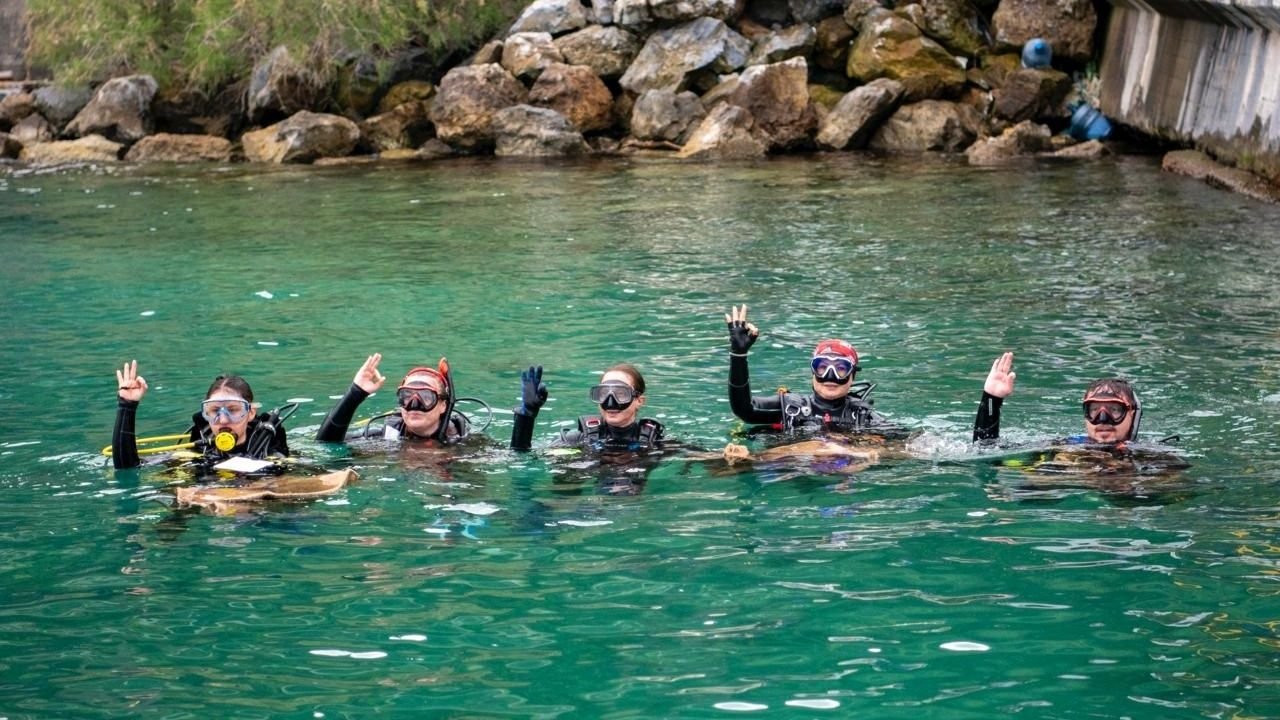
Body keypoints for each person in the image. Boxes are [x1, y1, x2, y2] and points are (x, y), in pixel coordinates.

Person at [724, 305, 895, 434]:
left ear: (853, 376)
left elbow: (908, 444)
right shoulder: (790, 408)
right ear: (813, 372)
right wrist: (738, 355)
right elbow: (744, 410)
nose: (830, 376)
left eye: (841, 368)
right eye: (822, 367)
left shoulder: (864, 417)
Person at [111, 360, 290, 470]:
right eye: (214, 411)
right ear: (205, 414)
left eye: (233, 410)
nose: (223, 419)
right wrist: (127, 405)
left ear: (250, 413)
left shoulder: (271, 453)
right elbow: (128, 467)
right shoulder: (198, 453)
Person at [972, 352, 1144, 445]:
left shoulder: (1153, 457)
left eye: (1114, 410)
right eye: (1093, 410)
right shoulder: (1064, 447)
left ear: (1133, 414)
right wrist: (992, 399)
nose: (1102, 419)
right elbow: (985, 449)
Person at [315, 353, 470, 444]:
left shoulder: (464, 442)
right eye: (406, 396)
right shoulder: (386, 437)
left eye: (425, 397)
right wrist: (356, 393)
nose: (414, 405)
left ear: (443, 405)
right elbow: (326, 444)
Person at [510, 363, 664, 452]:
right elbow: (521, 456)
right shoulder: (579, 439)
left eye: (621, 394)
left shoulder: (654, 441)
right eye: (603, 394)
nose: (610, 403)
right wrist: (526, 417)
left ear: (639, 400)